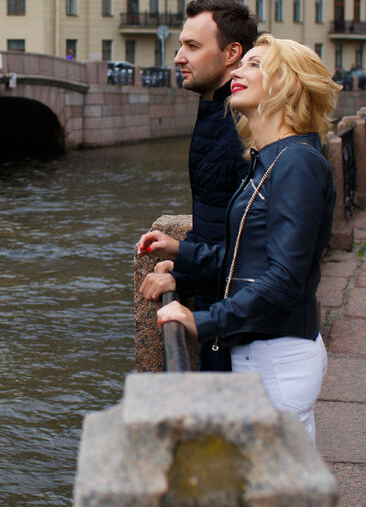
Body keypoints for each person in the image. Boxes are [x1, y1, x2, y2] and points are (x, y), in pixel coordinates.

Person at [139, 35, 340, 439]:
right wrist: (185, 257)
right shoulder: (271, 159)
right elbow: (246, 257)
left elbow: (285, 276)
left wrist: (202, 320)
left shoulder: (296, 163)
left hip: (277, 357)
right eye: (241, 63)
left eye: (253, 64)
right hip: (261, 351)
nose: (237, 71)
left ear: (288, 84)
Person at [138, 0, 256, 372]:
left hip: (236, 326)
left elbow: (251, 250)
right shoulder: (218, 113)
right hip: (223, 313)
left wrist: (182, 267)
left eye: (192, 46)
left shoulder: (239, 127)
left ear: (231, 53)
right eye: (179, 45)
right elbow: (221, 221)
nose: (178, 57)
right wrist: (181, 261)